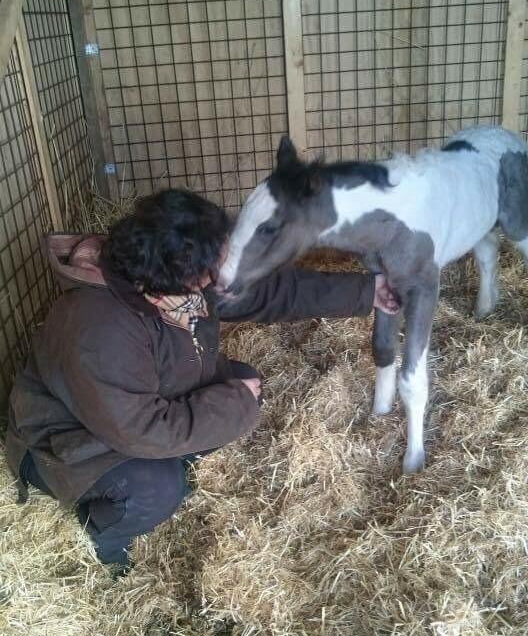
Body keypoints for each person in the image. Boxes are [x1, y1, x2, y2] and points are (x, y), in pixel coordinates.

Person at [6, 190, 399, 570]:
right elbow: (139, 430)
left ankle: (180, 454)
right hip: (67, 440)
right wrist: (234, 404)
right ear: (182, 276)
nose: (226, 267)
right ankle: (104, 533)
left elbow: (270, 293)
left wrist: (367, 292)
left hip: (131, 405)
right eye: (217, 262)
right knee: (157, 489)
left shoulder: (163, 274)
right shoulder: (98, 327)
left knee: (243, 384)